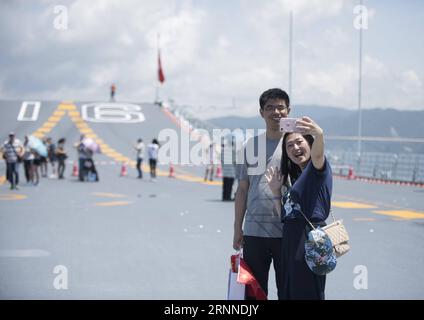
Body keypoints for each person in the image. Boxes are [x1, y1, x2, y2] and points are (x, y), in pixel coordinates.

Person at [233, 88, 291, 299]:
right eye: (270, 107)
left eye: (280, 107)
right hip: (254, 230)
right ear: (261, 112)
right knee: (254, 292)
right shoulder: (250, 146)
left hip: (288, 231)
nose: (276, 112)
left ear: (288, 110)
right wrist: (237, 228)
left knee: (288, 290)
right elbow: (242, 189)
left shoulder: (295, 144)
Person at [265, 117, 332, 300]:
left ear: (310, 143)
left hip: (309, 239)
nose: (295, 148)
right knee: (289, 291)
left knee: (306, 291)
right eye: (289, 146)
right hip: (290, 240)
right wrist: (276, 191)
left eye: (299, 142)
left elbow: (318, 155)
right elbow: (284, 216)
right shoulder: (295, 177)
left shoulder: (316, 169)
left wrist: (319, 134)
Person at [221, 136, 236, 201]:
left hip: (225, 171)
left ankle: (224, 197)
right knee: (229, 186)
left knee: (225, 185)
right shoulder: (233, 151)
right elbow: (235, 161)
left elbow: (222, 160)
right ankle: (228, 197)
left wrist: (223, 167)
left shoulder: (224, 150)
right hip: (231, 171)